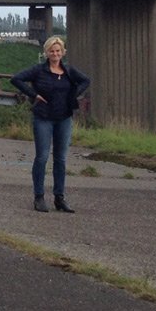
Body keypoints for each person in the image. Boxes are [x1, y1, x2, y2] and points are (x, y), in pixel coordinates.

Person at [10, 36, 92, 213]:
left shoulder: (69, 71)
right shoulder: (39, 70)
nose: (55, 54)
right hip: (43, 118)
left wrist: (74, 93)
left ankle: (59, 197)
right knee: (42, 157)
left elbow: (86, 80)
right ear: (46, 53)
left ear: (63, 52)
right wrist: (33, 95)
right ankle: (39, 197)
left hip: (64, 118)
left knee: (60, 159)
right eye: (51, 51)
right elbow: (16, 79)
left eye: (58, 51)